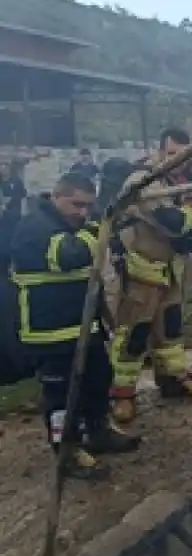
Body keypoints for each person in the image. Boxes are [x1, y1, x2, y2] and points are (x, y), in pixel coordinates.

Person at [10, 172, 141, 479]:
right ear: (56, 197)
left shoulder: (74, 226)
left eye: (88, 206)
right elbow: (69, 256)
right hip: (49, 331)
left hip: (83, 325)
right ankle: (67, 452)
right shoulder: (33, 227)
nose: (82, 213)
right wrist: (100, 227)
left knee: (98, 380)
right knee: (62, 397)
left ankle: (97, 432)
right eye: (76, 205)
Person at [109, 127, 192, 424]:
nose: (180, 161)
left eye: (185, 156)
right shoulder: (143, 181)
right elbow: (175, 223)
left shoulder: (180, 180)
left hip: (170, 268)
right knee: (134, 333)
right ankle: (122, 395)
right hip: (141, 268)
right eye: (172, 154)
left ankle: (172, 380)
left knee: (170, 329)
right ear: (159, 151)